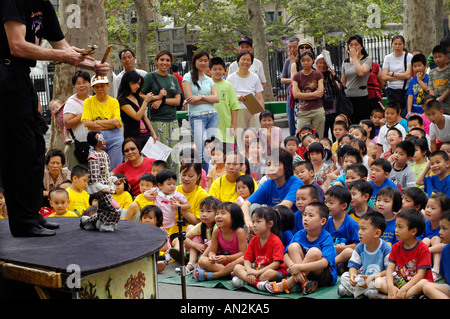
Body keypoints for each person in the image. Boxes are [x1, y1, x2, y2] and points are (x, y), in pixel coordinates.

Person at [0, 0, 109, 237]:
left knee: (36, 147)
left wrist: (95, 66)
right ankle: (22, 222)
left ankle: (33, 214)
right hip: (5, 74)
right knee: (18, 151)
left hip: (20, 76)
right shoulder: (13, 2)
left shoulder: (45, 6)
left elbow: (65, 48)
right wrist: (62, 55)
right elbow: (17, 46)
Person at [264, 202, 337, 295]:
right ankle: (305, 282)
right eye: (304, 215)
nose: (305, 218)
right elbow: (285, 254)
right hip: (305, 272)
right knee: (293, 246)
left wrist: (298, 267)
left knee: (314, 252)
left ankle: (288, 283)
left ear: (322, 221)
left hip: (322, 275)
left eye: (311, 216)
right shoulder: (299, 234)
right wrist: (292, 267)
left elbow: (324, 263)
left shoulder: (326, 237)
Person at [373, 209, 434, 299]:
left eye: (400, 227)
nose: (396, 230)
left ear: (413, 231)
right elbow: (390, 269)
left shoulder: (423, 248)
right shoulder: (395, 247)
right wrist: (390, 287)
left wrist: (404, 289)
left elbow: (421, 274)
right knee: (378, 282)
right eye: (396, 226)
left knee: (423, 283)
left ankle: (398, 296)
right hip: (400, 282)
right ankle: (403, 296)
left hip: (415, 284)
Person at [241, 148, 304, 234]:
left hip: (289, 226)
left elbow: (283, 207)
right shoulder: (268, 184)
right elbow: (246, 204)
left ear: (286, 167)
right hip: (270, 222)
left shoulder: (295, 182)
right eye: (268, 165)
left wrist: (260, 219)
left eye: (275, 165)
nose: (271, 168)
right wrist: (248, 222)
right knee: (252, 208)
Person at [141, 50, 182, 173]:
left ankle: (174, 184)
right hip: (157, 121)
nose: (165, 63)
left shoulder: (173, 79)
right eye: (162, 60)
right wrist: (156, 97)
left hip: (173, 121)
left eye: (168, 60)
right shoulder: (150, 77)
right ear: (156, 61)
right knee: (160, 157)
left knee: (174, 157)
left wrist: (162, 100)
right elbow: (141, 95)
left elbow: (177, 101)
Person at [338, 211, 392, 299]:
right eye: (359, 228)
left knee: (381, 282)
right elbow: (353, 266)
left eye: (363, 229)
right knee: (345, 276)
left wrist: (372, 277)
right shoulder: (359, 247)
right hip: (364, 278)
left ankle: (350, 291)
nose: (359, 232)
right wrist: (352, 275)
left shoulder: (386, 248)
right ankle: (368, 293)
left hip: (378, 278)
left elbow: (388, 270)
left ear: (377, 233)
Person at [232, 206, 287, 290]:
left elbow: (277, 264)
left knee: (269, 273)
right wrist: (249, 271)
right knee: (237, 267)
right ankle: (257, 283)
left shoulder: (276, 241)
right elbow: (247, 259)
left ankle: (247, 281)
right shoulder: (254, 240)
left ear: (270, 224)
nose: (254, 225)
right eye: (253, 222)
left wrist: (258, 272)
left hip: (274, 271)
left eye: (258, 222)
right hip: (257, 271)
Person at [183, 50, 220, 173]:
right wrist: (208, 99)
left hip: (213, 116)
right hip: (197, 117)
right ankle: (204, 178)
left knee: (211, 149)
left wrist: (200, 97)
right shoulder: (187, 77)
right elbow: (190, 99)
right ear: (194, 61)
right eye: (200, 60)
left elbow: (217, 98)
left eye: (206, 60)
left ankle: (212, 176)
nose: (203, 63)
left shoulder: (209, 79)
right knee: (203, 151)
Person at [80, 131, 122, 232]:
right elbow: (94, 177)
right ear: (95, 141)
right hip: (101, 189)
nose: (102, 139)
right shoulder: (93, 156)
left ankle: (89, 221)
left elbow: (106, 174)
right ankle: (106, 223)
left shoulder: (105, 154)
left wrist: (114, 180)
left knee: (103, 210)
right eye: (100, 137)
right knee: (116, 209)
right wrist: (103, 189)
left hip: (107, 186)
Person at [194, 202, 247, 281]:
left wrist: (227, 258)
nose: (218, 216)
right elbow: (212, 251)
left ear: (234, 217)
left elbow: (243, 253)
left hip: (236, 262)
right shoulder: (216, 231)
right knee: (202, 260)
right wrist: (212, 257)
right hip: (223, 263)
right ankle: (229, 274)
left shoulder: (239, 231)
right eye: (217, 213)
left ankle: (214, 275)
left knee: (243, 259)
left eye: (223, 213)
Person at [81, 75, 123, 171]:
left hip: (115, 137)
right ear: (93, 89)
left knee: (115, 169)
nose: (100, 89)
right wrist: (109, 122)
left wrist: (95, 122)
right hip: (95, 136)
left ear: (108, 86)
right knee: (96, 168)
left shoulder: (114, 102)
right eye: (97, 86)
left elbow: (116, 122)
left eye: (102, 86)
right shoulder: (88, 102)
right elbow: (86, 123)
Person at [169, 162, 209, 260]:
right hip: (176, 230)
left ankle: (186, 254)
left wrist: (180, 208)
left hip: (195, 231)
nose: (186, 178)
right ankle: (182, 254)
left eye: (190, 176)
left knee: (189, 231)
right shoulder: (174, 191)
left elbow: (198, 222)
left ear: (198, 176)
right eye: (184, 175)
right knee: (178, 240)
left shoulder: (202, 195)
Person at [117, 70, 158, 149]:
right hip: (133, 136)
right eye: (136, 83)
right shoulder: (123, 100)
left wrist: (153, 133)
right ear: (128, 83)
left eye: (139, 84)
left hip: (146, 134)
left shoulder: (137, 98)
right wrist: (146, 101)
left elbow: (144, 117)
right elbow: (137, 116)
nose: (138, 86)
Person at [324, 185, 359, 275]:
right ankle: (332, 265)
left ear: (344, 206)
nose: (327, 206)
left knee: (349, 253)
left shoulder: (351, 224)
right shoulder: (327, 222)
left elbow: (358, 245)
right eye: (326, 202)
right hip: (330, 253)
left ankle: (328, 265)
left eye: (331, 203)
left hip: (343, 255)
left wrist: (340, 248)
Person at [227, 50, 265, 133]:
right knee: (240, 137)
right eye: (243, 59)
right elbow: (227, 96)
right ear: (238, 61)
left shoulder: (255, 77)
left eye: (248, 60)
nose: (246, 62)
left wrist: (262, 113)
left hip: (254, 110)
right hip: (238, 110)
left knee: (254, 136)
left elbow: (259, 96)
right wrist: (237, 97)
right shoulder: (230, 78)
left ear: (251, 63)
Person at [182, 196, 220, 275]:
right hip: (202, 250)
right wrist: (196, 245)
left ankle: (200, 263)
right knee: (195, 237)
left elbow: (213, 243)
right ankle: (191, 263)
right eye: (202, 211)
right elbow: (184, 238)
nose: (204, 215)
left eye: (209, 211)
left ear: (217, 213)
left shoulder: (218, 226)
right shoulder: (201, 225)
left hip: (215, 253)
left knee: (211, 241)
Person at [292, 50, 325, 138]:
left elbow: (320, 93)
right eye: (303, 60)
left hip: (317, 110)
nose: (305, 63)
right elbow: (295, 94)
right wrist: (314, 94)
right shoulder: (296, 76)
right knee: (302, 137)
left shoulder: (318, 74)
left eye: (308, 60)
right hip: (303, 111)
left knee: (318, 137)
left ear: (313, 60)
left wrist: (302, 95)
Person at [340, 35, 372, 124]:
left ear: (361, 46)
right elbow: (343, 81)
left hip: (361, 97)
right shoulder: (345, 61)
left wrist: (354, 58)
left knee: (361, 124)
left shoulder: (367, 59)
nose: (353, 47)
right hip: (348, 97)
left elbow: (361, 72)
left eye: (356, 45)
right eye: (351, 45)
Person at [209, 57, 240, 146]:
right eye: (214, 69)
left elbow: (234, 106)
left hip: (226, 124)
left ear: (225, 70)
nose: (217, 71)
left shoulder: (228, 85)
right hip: (211, 125)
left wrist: (234, 124)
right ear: (210, 70)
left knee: (228, 153)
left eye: (220, 69)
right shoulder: (207, 85)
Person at [63, 70, 91, 170]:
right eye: (78, 83)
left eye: (84, 82)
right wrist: (83, 114)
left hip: (91, 145)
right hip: (75, 146)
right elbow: (67, 123)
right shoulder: (71, 102)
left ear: (89, 83)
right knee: (75, 177)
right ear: (74, 86)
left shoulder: (93, 100)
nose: (82, 86)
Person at [420, 193, 450, 280]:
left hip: (438, 258)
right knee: (426, 240)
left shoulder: (446, 228)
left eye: (433, 208)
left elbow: (445, 246)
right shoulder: (424, 224)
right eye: (427, 206)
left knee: (435, 239)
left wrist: (427, 250)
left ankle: (436, 270)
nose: (428, 210)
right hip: (424, 256)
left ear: (443, 212)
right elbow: (419, 241)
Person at [382, 35, 413, 118]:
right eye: (395, 44)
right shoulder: (388, 58)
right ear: (392, 45)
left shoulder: (408, 56)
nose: (397, 46)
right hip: (392, 92)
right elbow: (384, 76)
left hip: (405, 91)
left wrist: (392, 73)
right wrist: (402, 76)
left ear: (403, 45)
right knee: (392, 116)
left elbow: (408, 75)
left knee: (404, 115)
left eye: (400, 44)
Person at [422, 211, 450, 299]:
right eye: (440, 228)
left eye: (444, 228)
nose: (440, 232)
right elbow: (446, 279)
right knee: (427, 287)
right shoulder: (445, 250)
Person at [315, 53, 340, 139]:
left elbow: (339, 88)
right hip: (321, 110)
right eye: (320, 63)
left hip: (333, 110)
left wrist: (334, 78)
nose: (322, 65)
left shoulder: (330, 74)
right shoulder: (314, 75)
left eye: (325, 63)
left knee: (335, 134)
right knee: (323, 135)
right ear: (316, 64)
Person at [139, 204, 168, 273]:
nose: (147, 220)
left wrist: (151, 249)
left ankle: (156, 265)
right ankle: (147, 265)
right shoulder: (140, 230)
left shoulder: (161, 232)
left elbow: (164, 247)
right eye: (144, 217)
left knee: (164, 257)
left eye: (150, 218)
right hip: (145, 253)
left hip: (157, 253)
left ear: (158, 220)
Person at [281, 37, 300, 137]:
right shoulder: (287, 61)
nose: (292, 49)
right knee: (291, 119)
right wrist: (292, 80)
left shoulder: (303, 61)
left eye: (294, 47)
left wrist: (294, 63)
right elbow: (282, 79)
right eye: (289, 47)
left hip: (301, 95)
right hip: (290, 95)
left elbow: (298, 78)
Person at [428, 45, 450, 115]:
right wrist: (433, 99)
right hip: (436, 106)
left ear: (446, 57)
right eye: (435, 57)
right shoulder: (432, 72)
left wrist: (440, 99)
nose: (438, 59)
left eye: (440, 57)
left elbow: (449, 88)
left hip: (447, 106)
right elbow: (430, 87)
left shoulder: (449, 71)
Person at [406, 53, 429, 118]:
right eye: (415, 66)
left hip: (426, 112)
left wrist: (420, 81)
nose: (417, 68)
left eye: (419, 65)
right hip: (415, 111)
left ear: (425, 66)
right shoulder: (412, 81)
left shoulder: (429, 78)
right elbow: (410, 96)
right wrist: (409, 111)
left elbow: (429, 90)